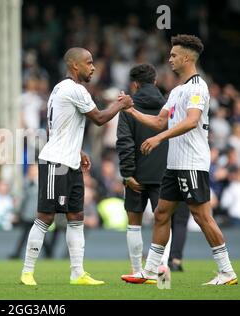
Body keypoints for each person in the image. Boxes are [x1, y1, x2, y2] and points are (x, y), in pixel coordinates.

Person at [121, 34, 237, 285]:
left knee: (202, 217)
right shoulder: (176, 91)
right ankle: (151, 270)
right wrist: (130, 110)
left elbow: (191, 120)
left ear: (186, 57)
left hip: (191, 163)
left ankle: (226, 271)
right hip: (173, 165)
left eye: (173, 55)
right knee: (162, 213)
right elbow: (159, 121)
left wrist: (160, 139)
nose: (169, 59)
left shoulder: (198, 87)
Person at [20, 47, 132, 286]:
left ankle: (77, 273)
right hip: (56, 163)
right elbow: (100, 118)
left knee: (76, 216)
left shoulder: (59, 89)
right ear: (74, 66)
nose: (93, 67)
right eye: (89, 62)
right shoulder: (75, 89)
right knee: (45, 217)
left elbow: (58, 126)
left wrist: (77, 150)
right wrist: (121, 104)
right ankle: (27, 271)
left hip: (69, 161)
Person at [116, 63, 190, 274]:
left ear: (135, 85)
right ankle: (162, 272)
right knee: (163, 223)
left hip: (136, 176)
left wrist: (128, 173)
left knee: (134, 224)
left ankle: (136, 271)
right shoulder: (169, 106)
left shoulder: (128, 109)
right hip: (164, 175)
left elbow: (124, 142)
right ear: (155, 81)